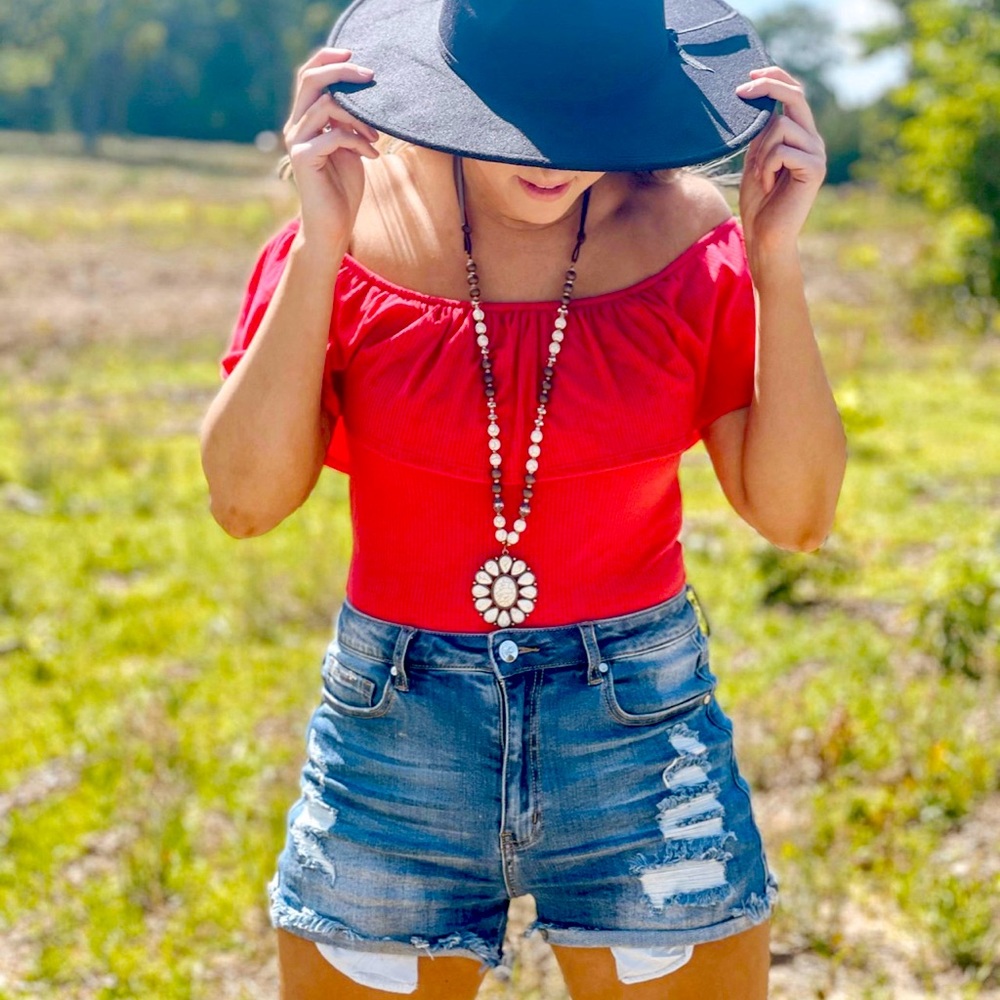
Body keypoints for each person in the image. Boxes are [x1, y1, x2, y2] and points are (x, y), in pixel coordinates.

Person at [200, 0, 846, 996]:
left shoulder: (686, 238)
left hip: (638, 729)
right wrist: (320, 236)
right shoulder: (355, 220)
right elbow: (244, 500)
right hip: (395, 731)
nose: (554, 156)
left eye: (590, 120)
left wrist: (776, 259)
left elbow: (795, 514)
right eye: (517, 116)